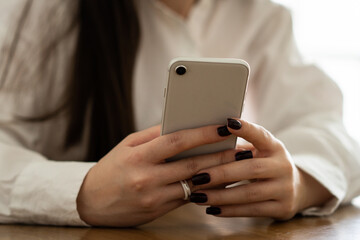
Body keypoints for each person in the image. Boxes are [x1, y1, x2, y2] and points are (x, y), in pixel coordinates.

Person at [0, 0, 359, 227]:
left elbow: (333, 131)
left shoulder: (262, 16)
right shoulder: (40, 12)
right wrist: (82, 193)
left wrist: (298, 182)